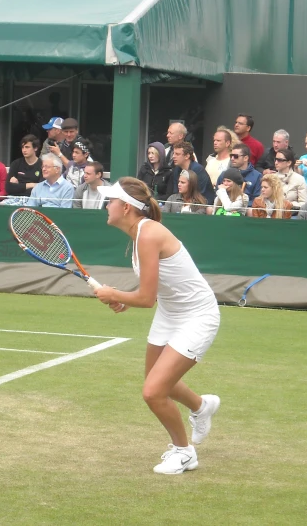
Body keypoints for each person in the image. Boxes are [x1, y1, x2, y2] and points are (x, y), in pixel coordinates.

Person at [93, 178, 221, 475]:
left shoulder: (148, 234)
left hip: (198, 316)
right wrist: (124, 299)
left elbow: (146, 298)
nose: (106, 205)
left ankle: (184, 452)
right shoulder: (138, 234)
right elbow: (153, 291)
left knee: (153, 392)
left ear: (126, 208)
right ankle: (202, 407)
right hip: (170, 312)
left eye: (110, 200)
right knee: (157, 381)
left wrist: (115, 294)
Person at [6, 134, 42, 199]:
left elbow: (41, 189)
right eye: (23, 147)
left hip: (32, 199)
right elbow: (8, 188)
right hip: (13, 198)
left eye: (27, 147)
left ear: (35, 148)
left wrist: (18, 186)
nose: (24, 150)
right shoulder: (15, 164)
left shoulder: (42, 165)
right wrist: (31, 185)